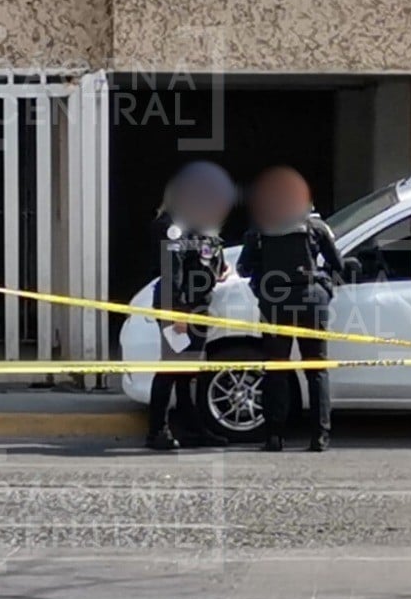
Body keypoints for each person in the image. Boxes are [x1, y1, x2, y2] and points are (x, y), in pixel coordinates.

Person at [238, 167, 344, 452]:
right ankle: (319, 437)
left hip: (275, 304)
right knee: (316, 368)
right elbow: (339, 264)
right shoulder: (316, 226)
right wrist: (324, 283)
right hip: (311, 302)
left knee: (277, 369)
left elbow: (244, 267)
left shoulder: (261, 227)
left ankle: (274, 437)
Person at [146, 161, 237, 450]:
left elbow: (214, 262)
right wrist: (177, 314)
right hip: (179, 309)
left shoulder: (204, 226)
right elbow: (172, 273)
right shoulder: (173, 227)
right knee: (171, 369)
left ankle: (192, 429)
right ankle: (156, 432)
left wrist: (222, 270)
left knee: (187, 372)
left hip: (198, 308)